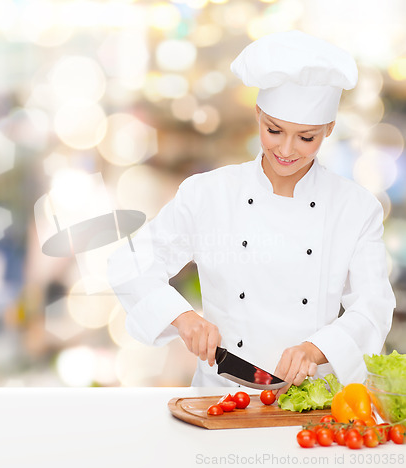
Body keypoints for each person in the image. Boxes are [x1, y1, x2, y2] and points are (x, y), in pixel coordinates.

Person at [108, 30, 396, 390]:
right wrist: (182, 318)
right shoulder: (209, 193)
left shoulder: (355, 208)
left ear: (329, 129)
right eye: (274, 130)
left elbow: (374, 307)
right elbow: (131, 262)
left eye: (306, 137)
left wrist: (316, 349)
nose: (287, 150)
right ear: (258, 114)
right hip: (221, 396)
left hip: (308, 400)